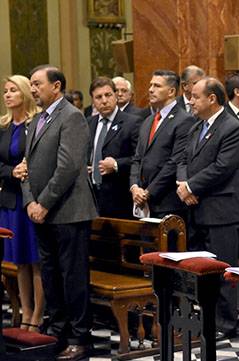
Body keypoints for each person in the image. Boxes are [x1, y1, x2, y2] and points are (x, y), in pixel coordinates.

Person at [24, 65, 98, 360]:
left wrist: (43, 203)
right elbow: (26, 166)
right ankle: (56, 331)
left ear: (56, 86)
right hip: (41, 210)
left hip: (68, 211)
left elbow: (68, 167)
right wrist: (30, 200)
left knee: (72, 277)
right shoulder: (38, 119)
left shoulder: (72, 116)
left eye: (37, 83)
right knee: (52, 276)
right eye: (30, 83)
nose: (33, 88)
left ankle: (80, 337)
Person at [176, 77, 239, 339]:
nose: (191, 101)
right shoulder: (197, 126)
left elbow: (223, 167)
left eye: (195, 96)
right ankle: (207, 317)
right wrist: (184, 184)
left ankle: (227, 322)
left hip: (222, 211)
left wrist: (192, 187)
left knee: (223, 268)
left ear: (212, 99)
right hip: (197, 208)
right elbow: (182, 158)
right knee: (202, 269)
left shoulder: (231, 128)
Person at [0, 75, 45, 333]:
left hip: (32, 198)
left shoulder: (36, 123)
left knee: (35, 257)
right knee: (19, 260)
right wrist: (11, 172)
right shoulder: (4, 126)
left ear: (25, 93)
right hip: (10, 199)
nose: (7, 95)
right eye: (5, 91)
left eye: (13, 90)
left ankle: (38, 313)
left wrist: (25, 170)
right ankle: (25, 309)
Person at [129, 70, 195, 220]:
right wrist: (134, 187)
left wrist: (149, 192)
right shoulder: (148, 121)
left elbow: (175, 162)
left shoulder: (184, 120)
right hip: (141, 201)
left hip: (167, 202)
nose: (150, 89)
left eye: (157, 86)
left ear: (171, 91)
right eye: (151, 85)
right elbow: (137, 158)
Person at [87, 77, 142, 219]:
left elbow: (139, 159)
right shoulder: (89, 123)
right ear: (93, 101)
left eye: (108, 95)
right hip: (92, 197)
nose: (104, 100)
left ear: (115, 96)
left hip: (120, 197)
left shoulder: (132, 122)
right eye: (98, 97)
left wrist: (117, 164)